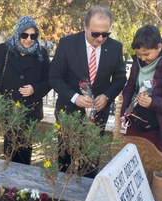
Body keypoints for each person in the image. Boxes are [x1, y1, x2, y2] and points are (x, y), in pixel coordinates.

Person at [49, 6, 127, 178]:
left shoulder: (115, 48)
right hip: (69, 112)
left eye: (105, 34)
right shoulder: (67, 44)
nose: (100, 38)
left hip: (97, 114)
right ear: (85, 27)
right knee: (65, 158)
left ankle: (86, 198)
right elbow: (54, 77)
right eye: (95, 33)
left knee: (90, 161)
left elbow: (120, 79)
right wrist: (75, 98)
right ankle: (63, 194)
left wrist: (107, 96)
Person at [0, 16, 51, 165]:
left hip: (30, 110)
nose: (29, 39)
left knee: (25, 150)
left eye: (33, 36)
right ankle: (8, 182)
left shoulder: (42, 54)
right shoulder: (3, 50)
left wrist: (35, 89)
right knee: (9, 149)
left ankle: (21, 186)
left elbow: (50, 80)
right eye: (25, 35)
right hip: (8, 109)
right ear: (18, 33)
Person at [120, 24, 162, 153]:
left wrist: (152, 102)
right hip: (134, 122)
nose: (143, 59)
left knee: (151, 168)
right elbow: (130, 88)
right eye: (139, 55)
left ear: (159, 47)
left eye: (146, 54)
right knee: (130, 161)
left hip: (156, 127)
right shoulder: (138, 61)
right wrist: (123, 112)